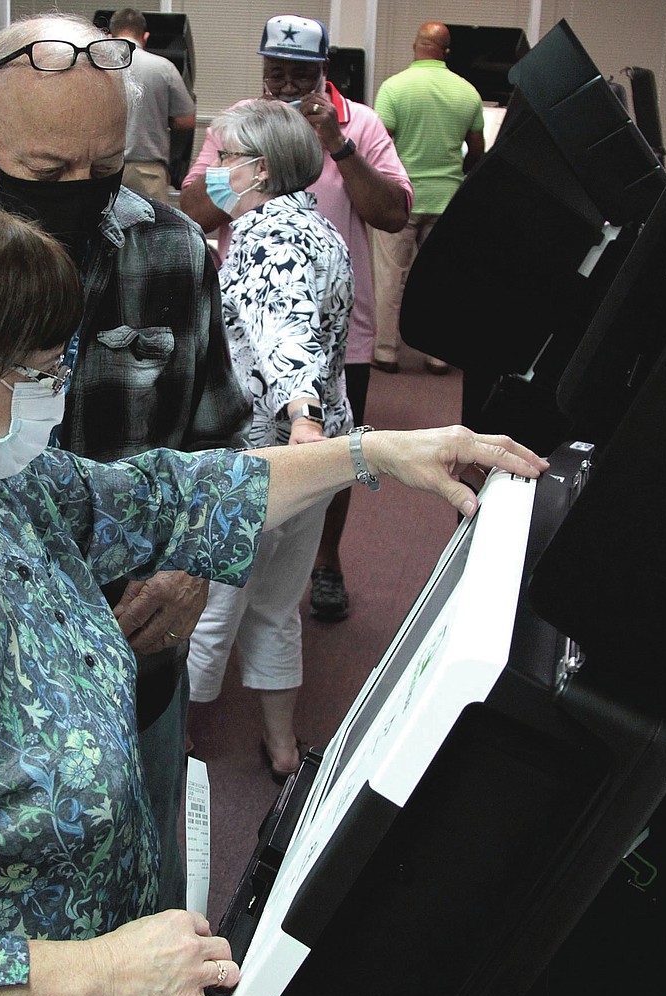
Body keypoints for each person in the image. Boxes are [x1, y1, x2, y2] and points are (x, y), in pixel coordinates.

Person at [0, 190, 548, 996]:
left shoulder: (0, 490)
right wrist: (88, 975)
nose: (56, 391)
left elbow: (170, 492)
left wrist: (373, 454)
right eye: (41, 371)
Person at [0, 13, 252, 923]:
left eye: (104, 167)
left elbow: (220, 439)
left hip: (135, 659)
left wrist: (195, 566)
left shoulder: (170, 250)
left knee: (139, 896)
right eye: (48, 174)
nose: (81, 193)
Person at [181, 14, 414, 624]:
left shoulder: (358, 121)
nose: (284, 87)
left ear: (323, 72)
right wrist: (253, 166)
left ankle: (325, 562)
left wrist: (338, 146)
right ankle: (247, 588)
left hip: (342, 326)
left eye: (299, 75)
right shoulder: (241, 126)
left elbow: (393, 213)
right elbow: (194, 211)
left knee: (326, 455)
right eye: (274, 73)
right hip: (250, 331)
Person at [186, 100, 353, 783]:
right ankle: (281, 747)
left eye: (222, 158)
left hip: (265, 450)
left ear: (258, 167)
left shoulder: (266, 237)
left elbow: (288, 333)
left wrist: (301, 416)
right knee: (279, 603)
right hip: (315, 457)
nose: (212, 171)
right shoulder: (317, 227)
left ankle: (175, 748)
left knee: (211, 604)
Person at [372, 21, 485, 375]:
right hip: (447, 200)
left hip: (399, 201)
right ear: (447, 51)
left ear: (415, 45)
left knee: (391, 277)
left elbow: (380, 146)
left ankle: (386, 352)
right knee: (442, 279)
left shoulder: (393, 89)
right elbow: (478, 152)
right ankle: (438, 355)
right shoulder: (468, 92)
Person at [108, 7, 196, 204]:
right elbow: (186, 121)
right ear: (145, 36)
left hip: (102, 169)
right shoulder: (163, 67)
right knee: (153, 231)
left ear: (109, 35)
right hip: (147, 171)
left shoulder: (94, 65)